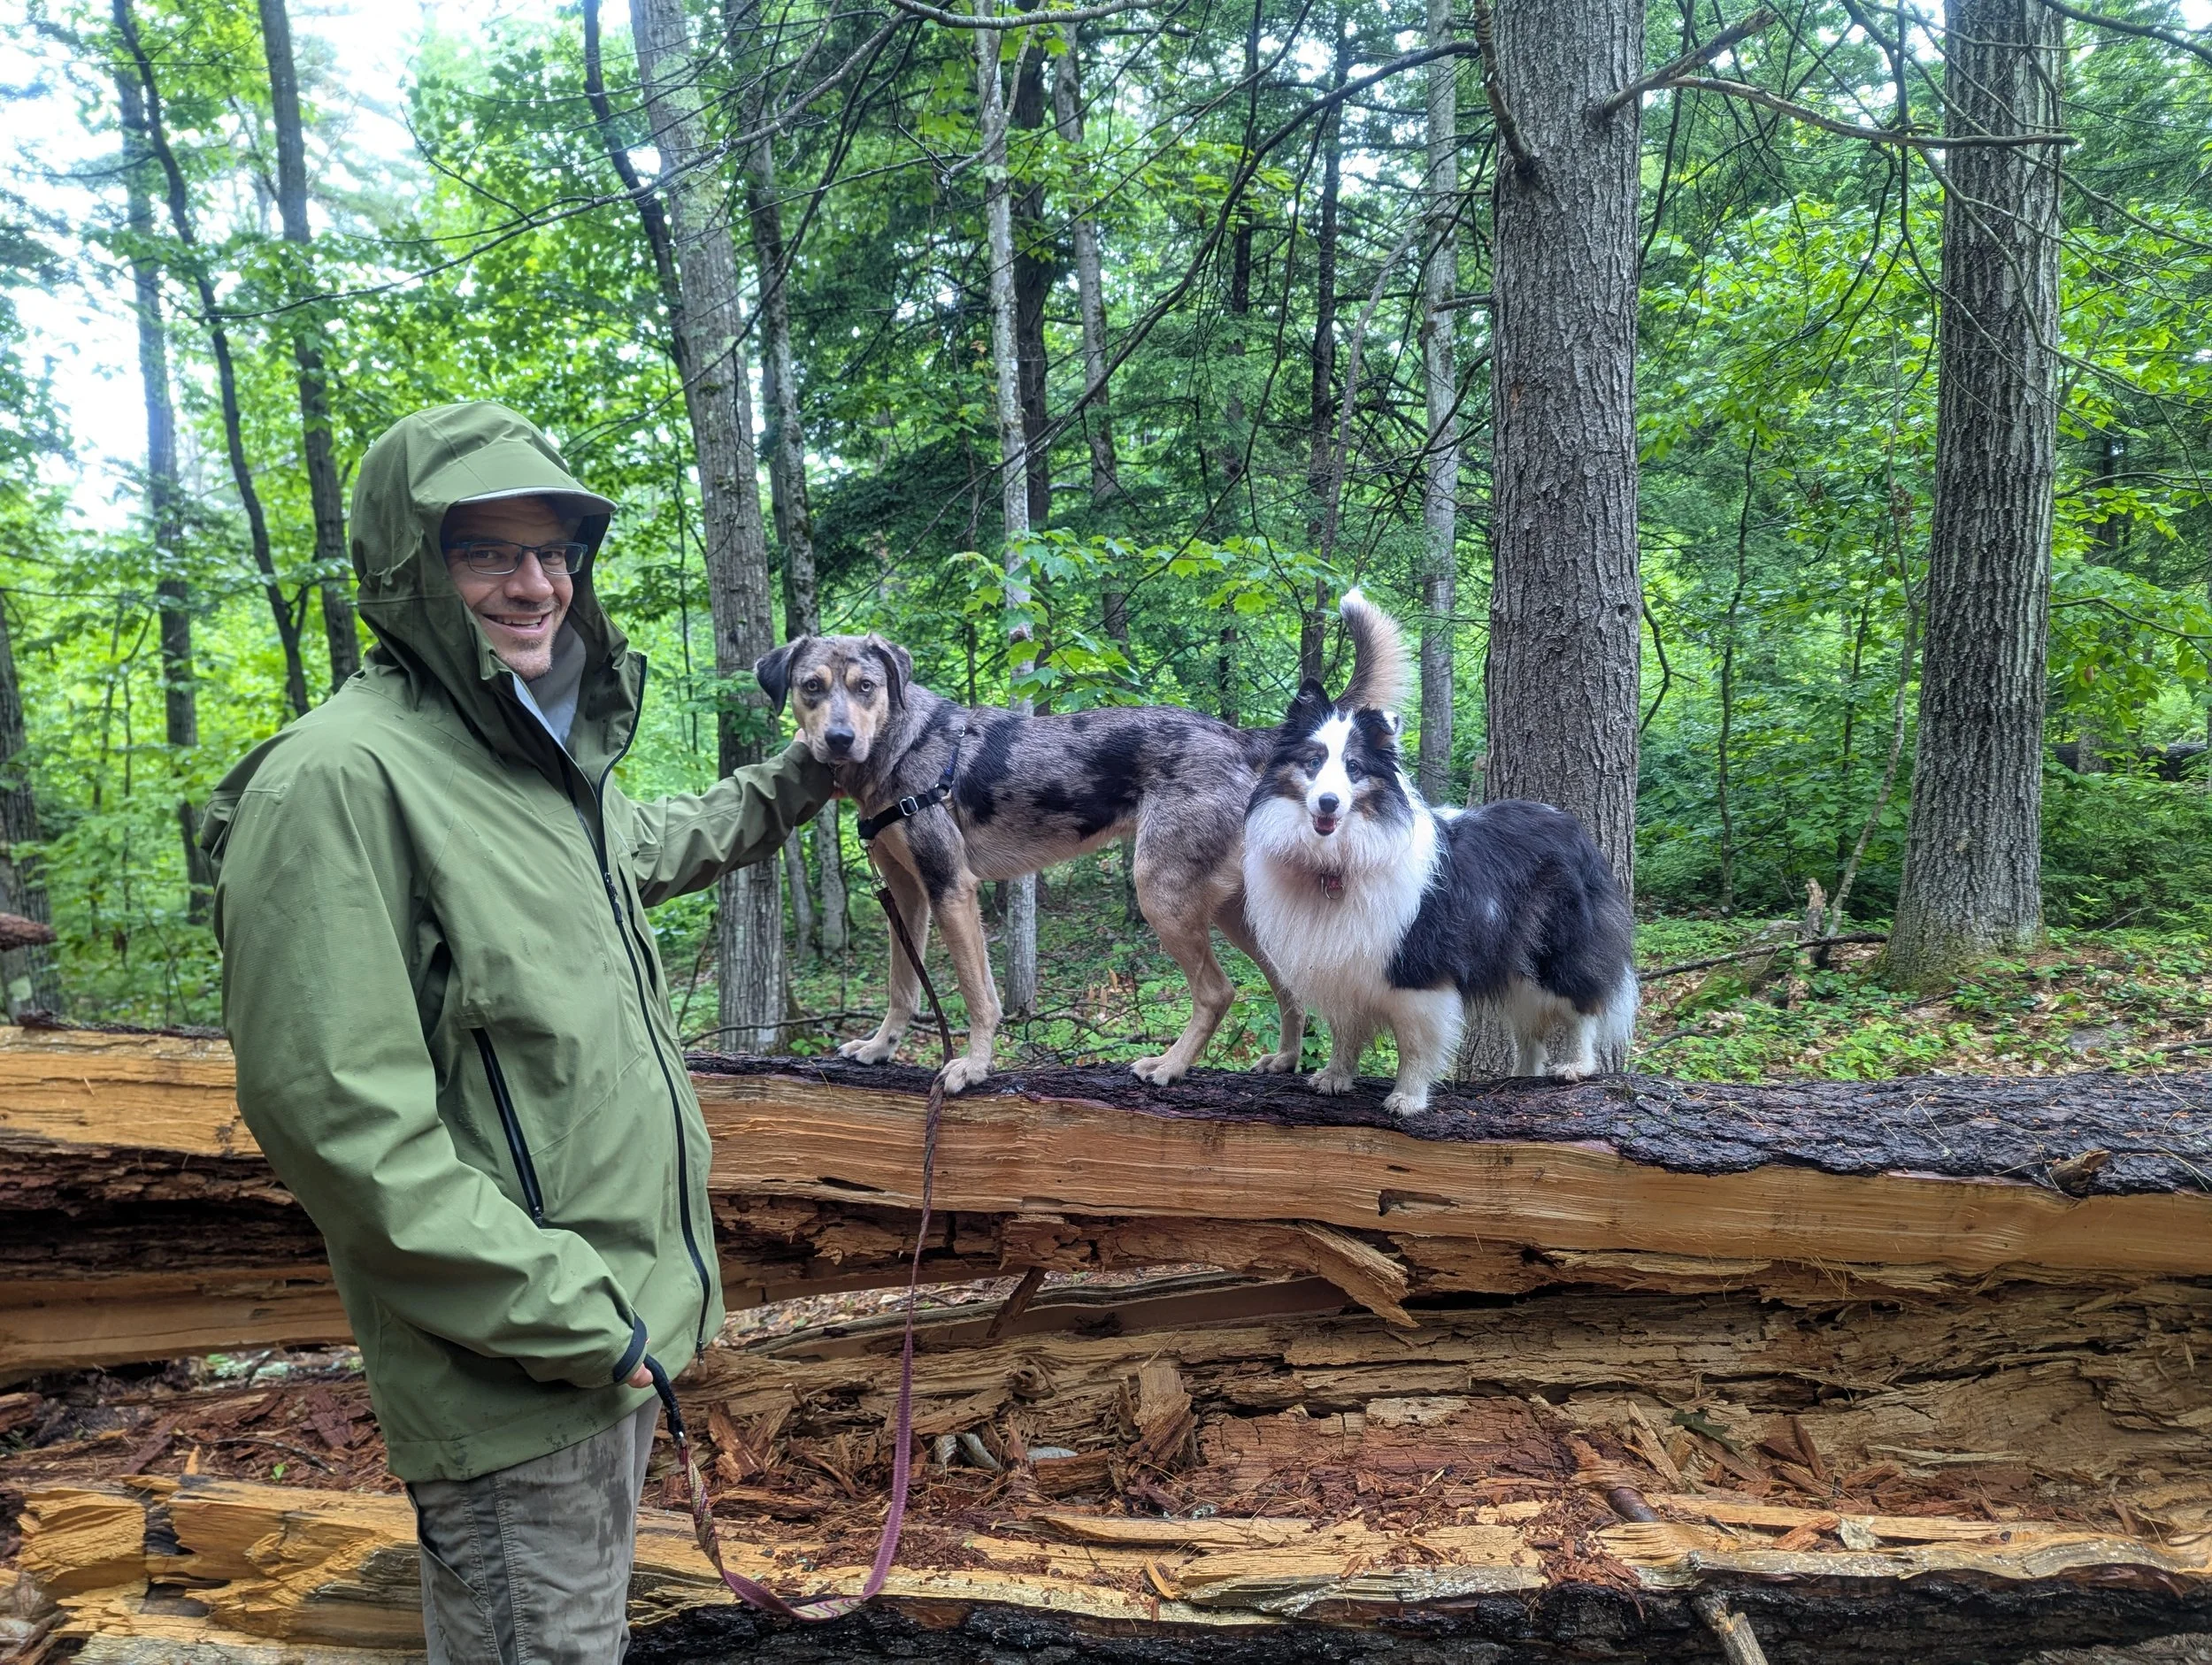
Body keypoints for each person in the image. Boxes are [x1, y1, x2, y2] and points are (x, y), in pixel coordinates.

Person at [202, 402, 834, 1663]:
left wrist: (803, 775)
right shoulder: (339, 781)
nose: (534, 581)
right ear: (408, 569)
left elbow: (662, 841)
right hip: (522, 1372)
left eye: (552, 550)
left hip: (606, 1347)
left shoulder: (535, 767)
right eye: (485, 550)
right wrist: (575, 1313)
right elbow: (343, 1126)